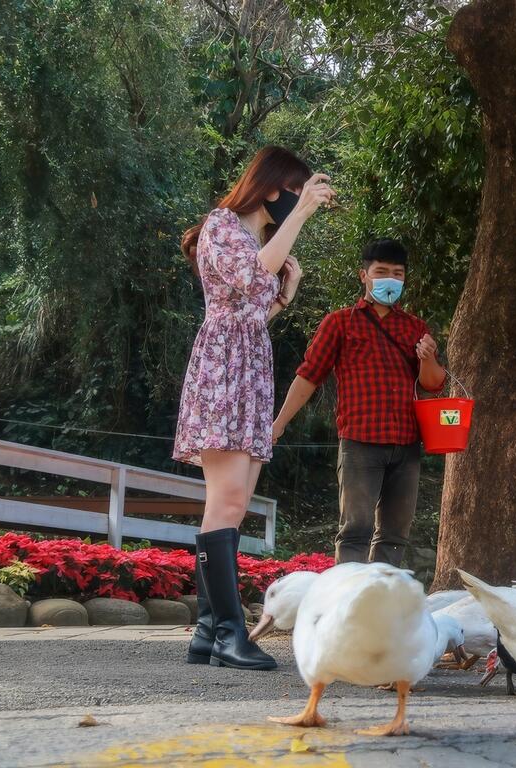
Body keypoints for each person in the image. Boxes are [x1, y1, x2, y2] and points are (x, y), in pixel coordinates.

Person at [173, 146, 333, 670]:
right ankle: (227, 632)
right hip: (223, 371)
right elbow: (249, 277)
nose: (297, 201)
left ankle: (208, 631)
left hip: (248, 371)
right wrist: (301, 215)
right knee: (227, 499)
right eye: (295, 190)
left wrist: (285, 296)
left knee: (233, 503)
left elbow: (251, 312)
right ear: (272, 186)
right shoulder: (222, 224)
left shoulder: (251, 239)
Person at [273, 239, 446, 566]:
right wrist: (278, 424)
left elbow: (433, 384)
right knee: (355, 530)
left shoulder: (415, 327)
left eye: (397, 274)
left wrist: (428, 358)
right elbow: (309, 376)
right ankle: (349, 595)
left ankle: (382, 596)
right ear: (364, 275)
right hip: (360, 442)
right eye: (381, 272)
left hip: (407, 444)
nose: (390, 279)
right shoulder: (340, 322)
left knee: (395, 536)